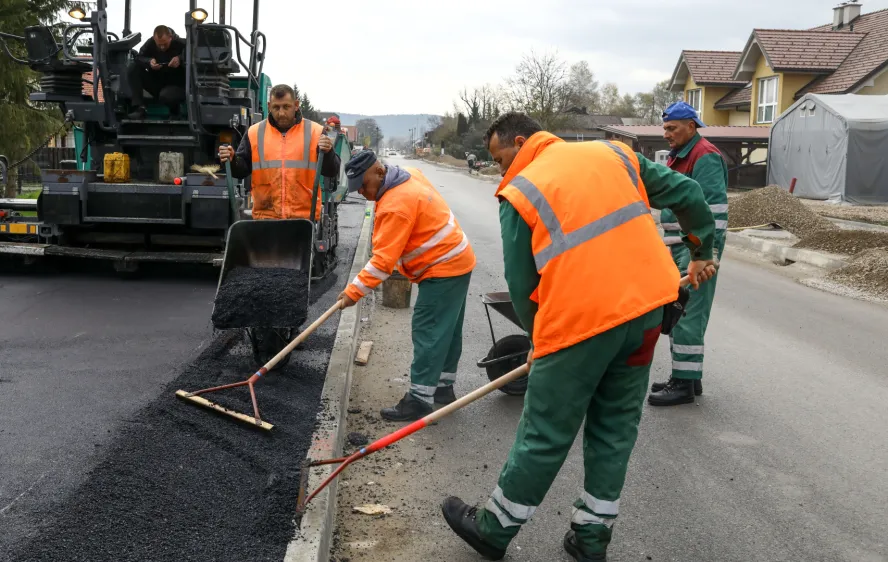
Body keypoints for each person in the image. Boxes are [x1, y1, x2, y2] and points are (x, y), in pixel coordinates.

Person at [440, 112, 717, 562]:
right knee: (614, 428)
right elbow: (687, 193)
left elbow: (522, 286)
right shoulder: (615, 152)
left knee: (546, 429)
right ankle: (590, 538)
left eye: (500, 158)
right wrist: (701, 250)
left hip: (580, 323)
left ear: (520, 141)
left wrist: (538, 340)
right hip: (646, 313)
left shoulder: (520, 191)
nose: (500, 170)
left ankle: (494, 529)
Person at [337, 150, 476, 421]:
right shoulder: (409, 174)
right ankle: (442, 389)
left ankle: (420, 400)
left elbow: (381, 263)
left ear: (379, 171)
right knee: (447, 330)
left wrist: (353, 292)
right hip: (458, 258)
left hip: (442, 267)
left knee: (429, 330)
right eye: (358, 189)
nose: (363, 193)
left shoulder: (395, 206)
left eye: (364, 186)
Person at [648, 101, 728, 407]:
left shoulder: (703, 155)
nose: (667, 134)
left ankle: (682, 384)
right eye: (665, 128)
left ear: (691, 126)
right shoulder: (680, 155)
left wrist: (704, 253)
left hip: (694, 248)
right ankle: (689, 379)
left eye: (672, 128)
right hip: (681, 245)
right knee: (679, 310)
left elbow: (715, 213)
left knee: (687, 314)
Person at [217, 84, 340, 219]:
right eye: (276, 107)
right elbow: (242, 170)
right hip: (266, 216)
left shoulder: (315, 132)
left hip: (304, 219)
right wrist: (233, 159)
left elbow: (331, 171)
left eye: (286, 107)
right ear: (269, 106)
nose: (281, 113)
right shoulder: (255, 132)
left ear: (296, 105)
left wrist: (328, 152)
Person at [127, 26, 186, 119]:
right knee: (133, 68)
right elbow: (139, 58)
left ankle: (175, 112)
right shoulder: (150, 43)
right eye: (159, 45)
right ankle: (139, 108)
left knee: (167, 95)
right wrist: (149, 61)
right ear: (154, 39)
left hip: (176, 86)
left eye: (165, 44)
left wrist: (180, 59)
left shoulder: (181, 43)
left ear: (170, 37)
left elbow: (194, 53)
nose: (162, 47)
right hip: (157, 83)